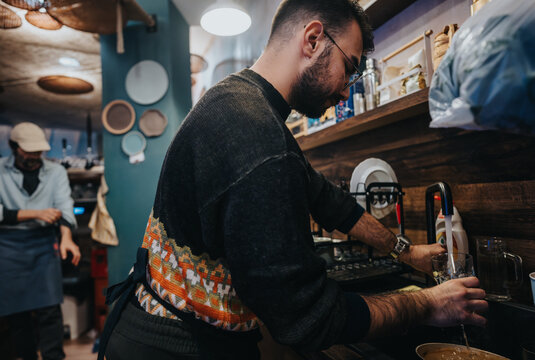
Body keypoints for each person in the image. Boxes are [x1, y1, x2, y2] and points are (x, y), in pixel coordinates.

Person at [99, 0, 488, 359]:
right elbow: (308, 318)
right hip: (176, 346)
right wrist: (427, 304)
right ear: (314, 39)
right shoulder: (255, 131)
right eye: (349, 67)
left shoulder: (241, 101)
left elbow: (325, 199)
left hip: (158, 330)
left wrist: (407, 252)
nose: (346, 87)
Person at [0, 122, 81, 360]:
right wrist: (34, 213)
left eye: (39, 151)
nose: (35, 156)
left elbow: (65, 208)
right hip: (8, 245)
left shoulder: (55, 172)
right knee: (17, 313)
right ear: (14, 147)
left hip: (44, 243)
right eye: (29, 151)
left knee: (50, 310)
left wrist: (66, 237)